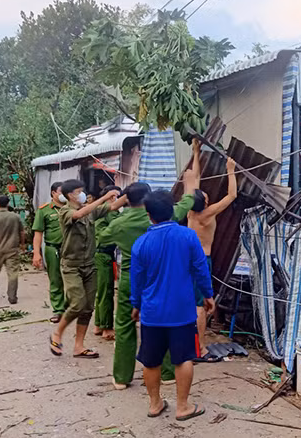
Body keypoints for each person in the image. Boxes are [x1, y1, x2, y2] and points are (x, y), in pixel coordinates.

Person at [100, 173, 198, 390]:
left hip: (130, 278)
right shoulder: (163, 217)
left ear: (128, 199)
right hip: (161, 279)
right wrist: (190, 185)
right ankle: (167, 372)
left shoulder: (118, 224)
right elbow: (186, 203)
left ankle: (122, 377)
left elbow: (101, 237)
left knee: (125, 325)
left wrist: (114, 206)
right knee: (164, 323)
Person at [131, 189, 214, 420]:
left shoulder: (141, 243)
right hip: (182, 311)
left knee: (151, 360)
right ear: (172, 210)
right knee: (184, 358)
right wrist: (208, 295)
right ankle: (183, 406)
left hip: (152, 312)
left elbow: (136, 281)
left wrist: (135, 305)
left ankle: (155, 404)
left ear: (149, 214)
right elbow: (200, 269)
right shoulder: (188, 237)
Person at [49, 180, 118, 359]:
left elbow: (112, 207)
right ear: (71, 195)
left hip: (89, 264)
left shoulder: (89, 211)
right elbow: (79, 214)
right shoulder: (66, 211)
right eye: (79, 191)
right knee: (78, 303)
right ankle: (57, 333)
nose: (82, 194)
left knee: (87, 307)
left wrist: (130, 194)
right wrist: (104, 197)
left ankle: (79, 346)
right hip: (72, 266)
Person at [187, 139, 237, 358]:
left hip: (186, 260)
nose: (206, 193)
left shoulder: (190, 211)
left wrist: (196, 153)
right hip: (200, 262)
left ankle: (189, 343)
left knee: (188, 303)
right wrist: (230, 171)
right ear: (205, 203)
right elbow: (231, 196)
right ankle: (199, 348)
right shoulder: (206, 215)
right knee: (200, 307)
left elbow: (195, 179)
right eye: (206, 195)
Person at [33, 182, 69, 323]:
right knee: (55, 279)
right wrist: (37, 253)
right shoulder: (44, 210)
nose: (64, 195)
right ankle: (58, 310)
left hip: (71, 249)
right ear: (53, 193)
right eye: (61, 192)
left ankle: (71, 308)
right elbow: (38, 233)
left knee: (73, 279)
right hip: (52, 248)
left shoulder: (71, 208)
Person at [93, 184, 121, 340]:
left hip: (101, 254)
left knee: (102, 291)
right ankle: (106, 328)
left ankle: (99, 324)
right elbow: (122, 224)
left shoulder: (102, 209)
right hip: (103, 255)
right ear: (112, 197)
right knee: (106, 292)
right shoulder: (109, 210)